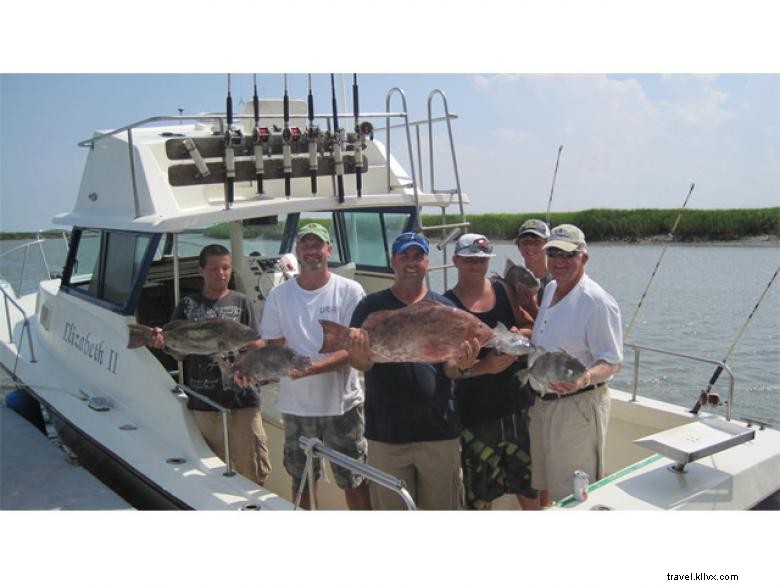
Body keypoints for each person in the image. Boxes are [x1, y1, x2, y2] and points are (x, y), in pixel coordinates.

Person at [347, 232, 480, 510]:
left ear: (427, 263)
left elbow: (451, 369)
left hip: (439, 433)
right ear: (393, 261)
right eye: (404, 256)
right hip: (386, 436)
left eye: (418, 256)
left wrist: (465, 366)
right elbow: (362, 364)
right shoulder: (370, 306)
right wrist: (358, 355)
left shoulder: (446, 309)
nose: (411, 262)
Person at [259, 222, 371, 510]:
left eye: (317, 245)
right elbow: (272, 344)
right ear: (297, 251)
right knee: (302, 479)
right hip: (297, 408)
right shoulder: (278, 295)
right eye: (305, 245)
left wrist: (311, 369)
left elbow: (353, 349)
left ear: (328, 250)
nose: (311, 251)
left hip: (342, 406)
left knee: (355, 480)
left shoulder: (350, 290)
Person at [150, 244, 271, 486]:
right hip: (204, 402)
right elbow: (179, 354)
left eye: (226, 268)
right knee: (211, 474)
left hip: (243, 400)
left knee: (253, 470)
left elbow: (258, 344)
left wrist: (243, 351)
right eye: (214, 268)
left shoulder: (243, 302)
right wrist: (161, 342)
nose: (221, 274)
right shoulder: (187, 304)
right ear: (201, 271)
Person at [444, 234, 540, 510]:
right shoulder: (447, 304)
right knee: (480, 495)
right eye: (469, 259)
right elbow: (449, 368)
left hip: (517, 407)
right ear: (456, 261)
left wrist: (515, 335)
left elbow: (532, 329)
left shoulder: (503, 290)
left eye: (482, 260)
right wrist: (483, 367)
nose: (476, 265)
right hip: (475, 414)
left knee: (530, 486)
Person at [528, 224, 623, 503]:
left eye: (568, 255)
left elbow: (612, 361)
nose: (559, 261)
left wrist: (584, 378)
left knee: (573, 495)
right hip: (542, 404)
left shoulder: (596, 302)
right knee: (544, 483)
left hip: (576, 410)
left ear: (584, 257)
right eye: (553, 252)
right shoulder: (551, 288)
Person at [513, 218, 553, 317]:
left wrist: (532, 307)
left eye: (537, 242)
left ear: (548, 245)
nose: (530, 247)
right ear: (518, 245)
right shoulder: (513, 279)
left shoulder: (557, 282)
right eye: (525, 242)